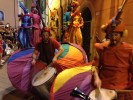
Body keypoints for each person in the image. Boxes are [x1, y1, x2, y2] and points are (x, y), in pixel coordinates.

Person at [93, 18, 133, 100]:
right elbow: (95, 67)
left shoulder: (130, 50)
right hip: (104, 87)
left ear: (121, 35)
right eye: (111, 35)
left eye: (116, 35)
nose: (113, 38)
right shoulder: (101, 47)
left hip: (123, 89)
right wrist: (96, 78)